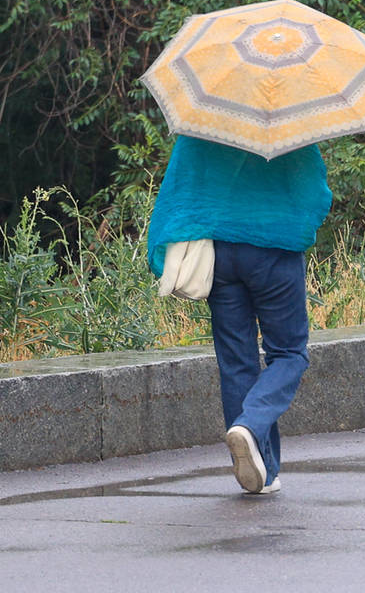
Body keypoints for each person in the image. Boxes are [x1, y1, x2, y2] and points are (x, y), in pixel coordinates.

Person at [147, 136, 332, 494]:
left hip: (220, 255)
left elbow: (180, 191)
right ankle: (250, 423)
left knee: (236, 361)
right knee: (289, 353)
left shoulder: (203, 124)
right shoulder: (289, 126)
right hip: (274, 253)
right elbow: (314, 194)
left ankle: (265, 471)